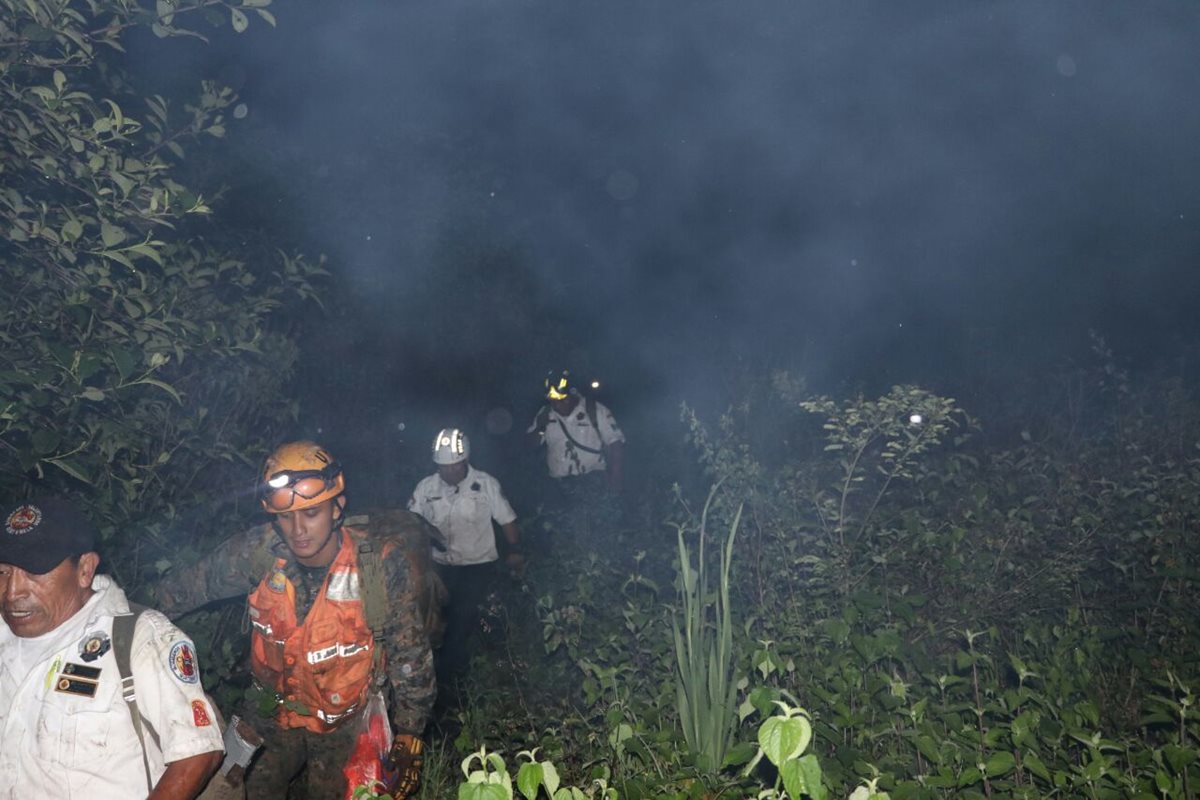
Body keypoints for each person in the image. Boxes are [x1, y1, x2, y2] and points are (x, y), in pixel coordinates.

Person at [155, 441, 437, 799]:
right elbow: (180, 591)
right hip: (267, 714)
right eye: (285, 517)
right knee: (230, 792)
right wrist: (120, 623)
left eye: (312, 513)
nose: (298, 529)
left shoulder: (377, 566)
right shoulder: (257, 553)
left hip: (344, 724)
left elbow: (408, 650)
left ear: (337, 508)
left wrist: (410, 730)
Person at [0, 495, 224, 799]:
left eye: (34, 572)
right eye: (3, 572)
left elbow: (198, 753)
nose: (13, 592)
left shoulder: (139, 638)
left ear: (85, 569)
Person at [407, 428, 522, 680]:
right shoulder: (426, 488)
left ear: (466, 460)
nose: (449, 472)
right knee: (441, 619)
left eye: (455, 467)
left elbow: (507, 520)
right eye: (443, 467)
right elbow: (412, 523)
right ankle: (452, 666)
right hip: (441, 567)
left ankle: (455, 676)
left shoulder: (485, 484)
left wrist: (514, 550)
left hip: (478, 564)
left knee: (462, 615)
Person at [528, 369, 626, 493]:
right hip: (558, 486)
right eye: (553, 401)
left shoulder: (595, 410)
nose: (557, 405)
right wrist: (540, 428)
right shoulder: (545, 413)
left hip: (593, 482)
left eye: (562, 400)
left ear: (573, 394)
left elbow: (616, 443)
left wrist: (616, 478)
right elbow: (530, 445)